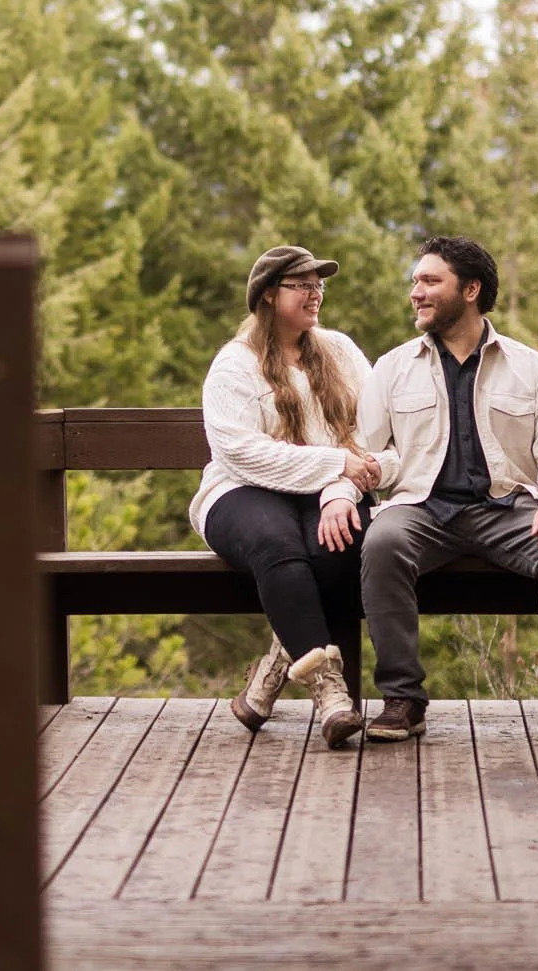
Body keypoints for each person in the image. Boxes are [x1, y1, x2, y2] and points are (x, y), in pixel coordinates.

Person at [353, 234, 538, 743]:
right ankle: (402, 698)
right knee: (381, 544)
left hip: (507, 507)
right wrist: (359, 478)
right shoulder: (393, 367)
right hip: (420, 508)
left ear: (470, 290)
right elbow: (363, 448)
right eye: (415, 281)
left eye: (429, 281)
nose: (416, 292)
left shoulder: (529, 366)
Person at [192, 245, 381, 749]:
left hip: (328, 491)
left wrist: (341, 487)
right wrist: (333, 463)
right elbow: (240, 452)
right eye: (303, 285)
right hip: (241, 491)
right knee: (278, 547)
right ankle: (330, 693)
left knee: (339, 549)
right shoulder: (235, 364)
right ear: (270, 296)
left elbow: (369, 436)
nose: (316, 293)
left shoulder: (340, 351)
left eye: (320, 284)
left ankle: (275, 666)